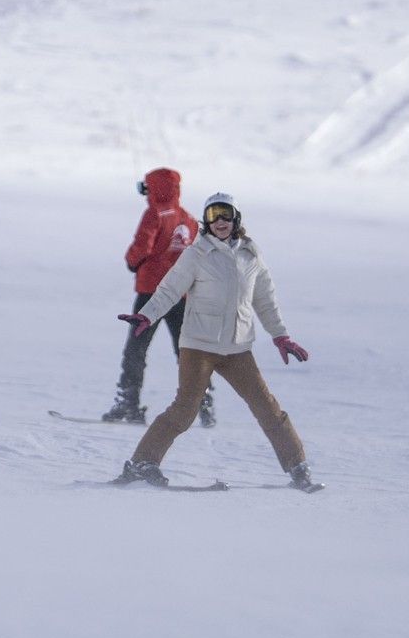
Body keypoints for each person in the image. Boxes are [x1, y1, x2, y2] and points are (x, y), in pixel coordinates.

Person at [115, 193, 316, 490]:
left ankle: (298, 467)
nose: (220, 221)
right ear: (206, 222)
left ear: (236, 219)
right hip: (198, 346)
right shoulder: (196, 255)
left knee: (267, 408)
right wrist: (148, 315)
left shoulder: (251, 255)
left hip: (237, 349)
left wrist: (280, 335)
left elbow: (265, 300)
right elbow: (169, 290)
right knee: (184, 410)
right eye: (213, 216)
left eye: (225, 214)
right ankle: (142, 464)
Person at [103, 168, 214, 427]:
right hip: (181, 293)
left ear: (156, 188)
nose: (145, 193)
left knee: (136, 349)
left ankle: (128, 404)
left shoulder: (155, 214)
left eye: (147, 187)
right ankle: (204, 404)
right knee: (187, 351)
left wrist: (132, 263)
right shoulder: (188, 219)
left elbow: (141, 247)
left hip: (151, 293)